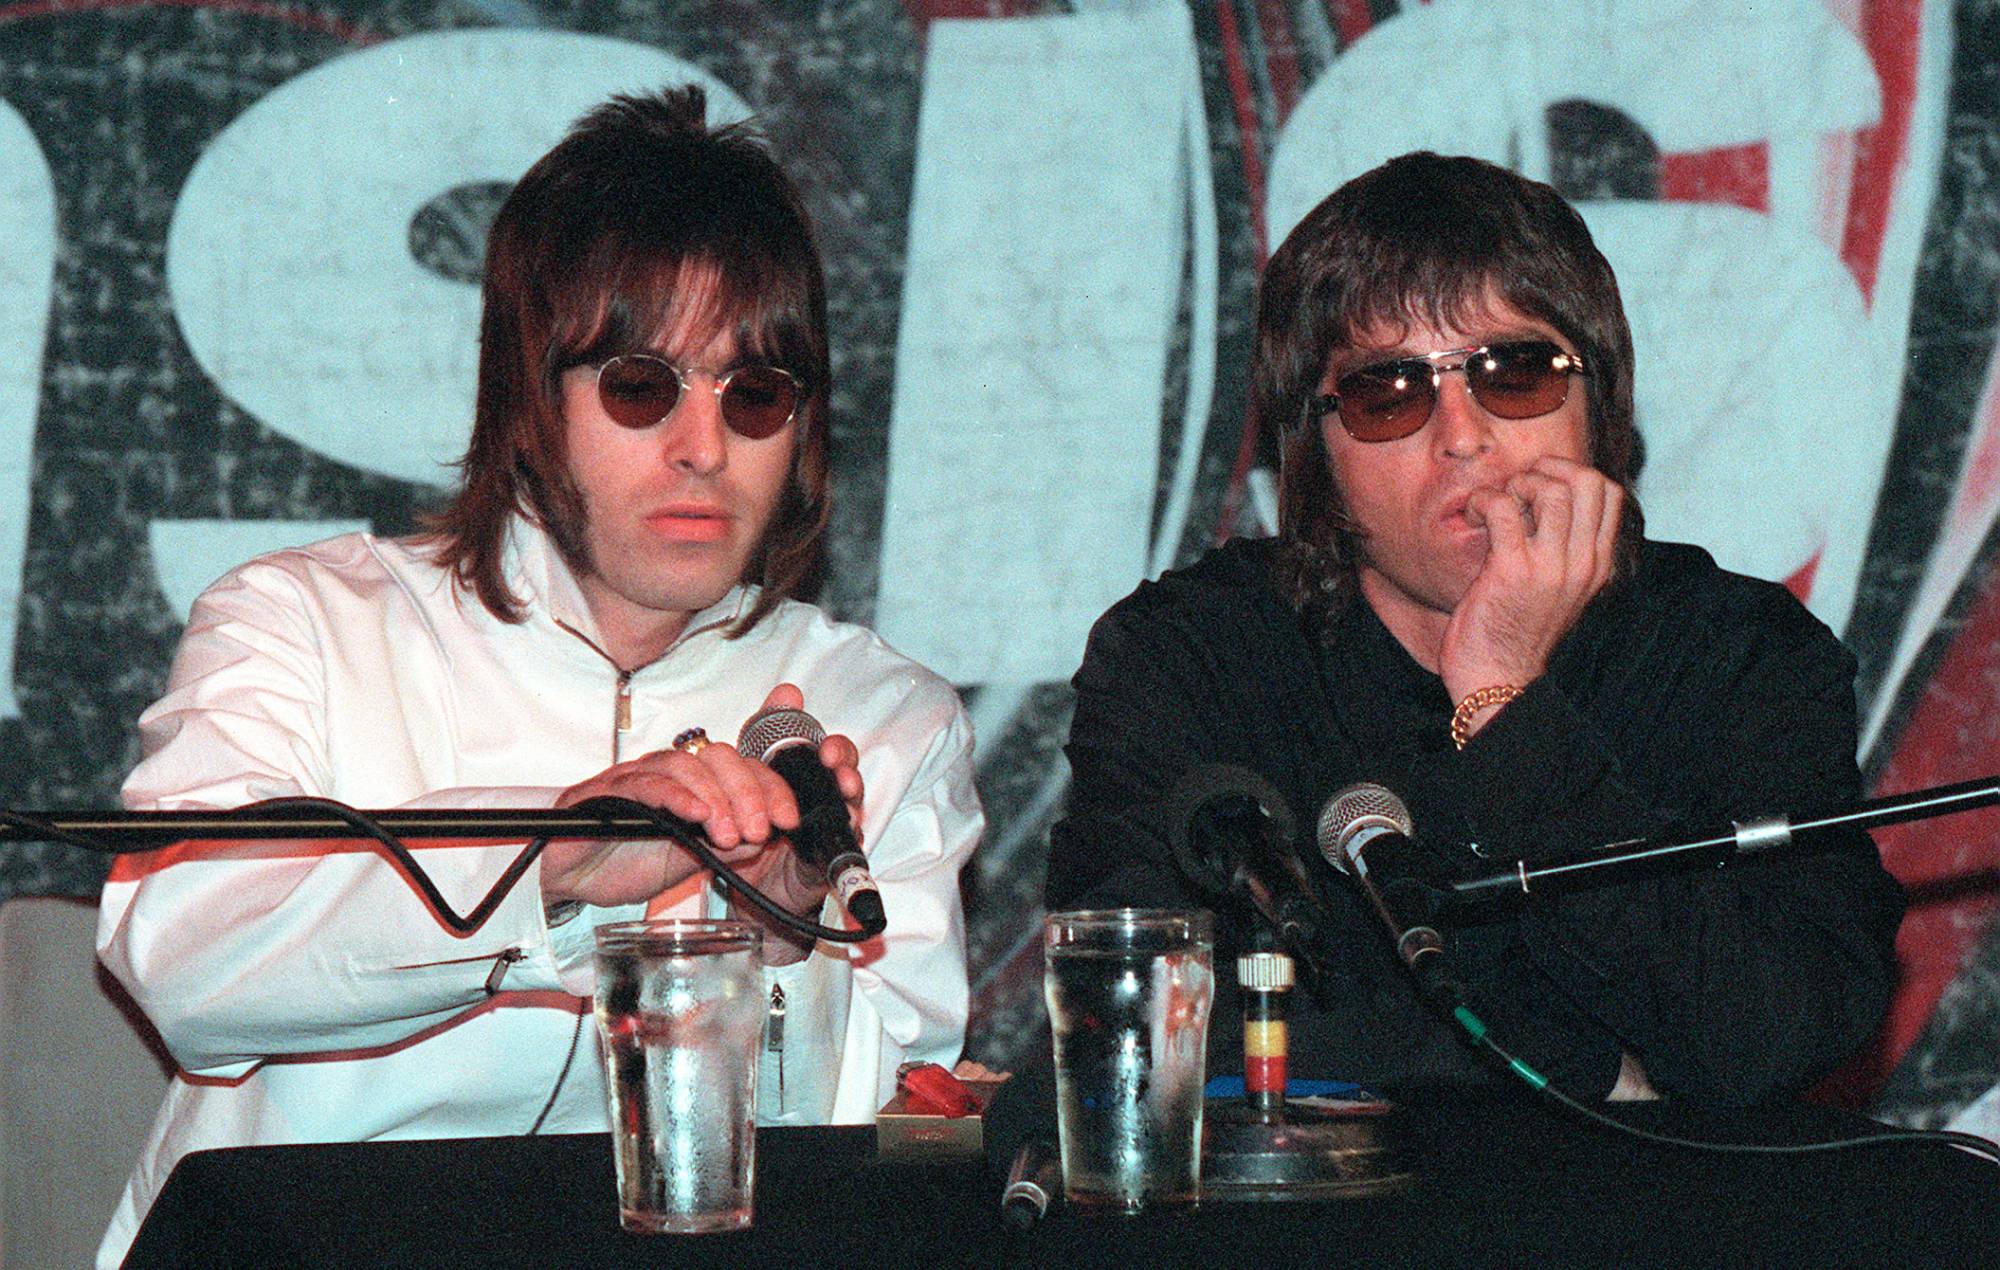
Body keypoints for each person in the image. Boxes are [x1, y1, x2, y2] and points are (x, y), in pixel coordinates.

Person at [95, 86, 981, 1264]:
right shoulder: (303, 622)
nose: (703, 447)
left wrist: (780, 939)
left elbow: (878, 1155)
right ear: (529, 399)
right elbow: (185, 960)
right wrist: (548, 867)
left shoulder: (881, 713)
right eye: (639, 384)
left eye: (753, 392)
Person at [1046, 152, 1902, 1107]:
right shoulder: (1192, 657)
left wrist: (1504, 698)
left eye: (1515, 372)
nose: (1462, 434)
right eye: (1389, 392)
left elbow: (1766, 1038)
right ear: (1316, 452)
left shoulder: (1736, 655)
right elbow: (1127, 1037)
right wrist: (1587, 1074)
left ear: (1599, 401)